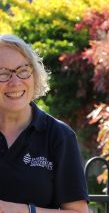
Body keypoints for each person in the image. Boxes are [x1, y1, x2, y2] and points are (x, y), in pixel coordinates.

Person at [0, 34, 89, 213]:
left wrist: (17, 210)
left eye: (23, 70)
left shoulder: (59, 136)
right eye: (3, 74)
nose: (15, 82)